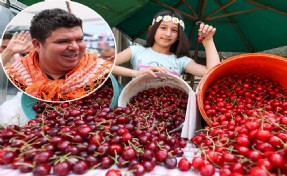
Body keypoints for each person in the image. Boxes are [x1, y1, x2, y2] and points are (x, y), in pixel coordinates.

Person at [2, 8, 113, 101]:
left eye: (79, 39)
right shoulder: (17, 76)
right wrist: (8, 51)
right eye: (63, 41)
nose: (75, 47)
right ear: (37, 45)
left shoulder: (100, 75)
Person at [112, 10, 220, 78]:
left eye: (174, 30)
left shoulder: (181, 60)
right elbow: (105, 66)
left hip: (169, 112)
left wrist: (208, 41)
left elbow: (213, 72)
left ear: (179, 36)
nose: (168, 34)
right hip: (137, 109)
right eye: (163, 28)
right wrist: (135, 74)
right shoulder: (137, 50)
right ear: (151, 30)